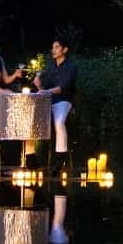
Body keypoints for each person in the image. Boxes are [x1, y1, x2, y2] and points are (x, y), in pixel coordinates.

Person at [36, 36, 78, 164]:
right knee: (30, 118)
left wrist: (45, 91)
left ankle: (60, 159)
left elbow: (63, 87)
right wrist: (38, 84)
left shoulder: (71, 67)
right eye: (53, 47)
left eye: (57, 47)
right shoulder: (50, 67)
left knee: (59, 122)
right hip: (48, 101)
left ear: (65, 50)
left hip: (63, 100)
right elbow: (44, 87)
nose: (53, 50)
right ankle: (31, 158)